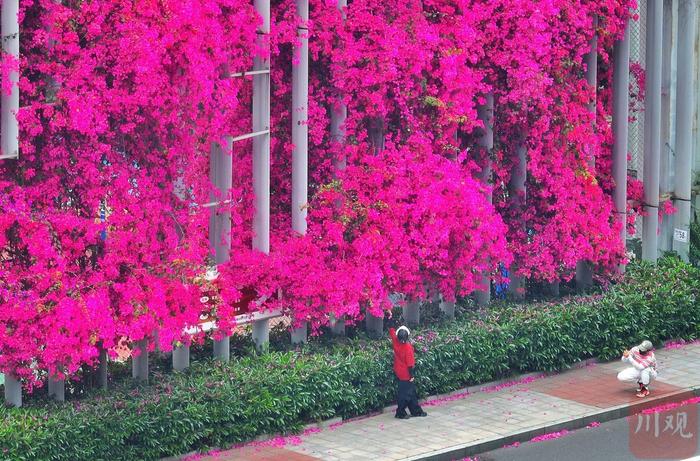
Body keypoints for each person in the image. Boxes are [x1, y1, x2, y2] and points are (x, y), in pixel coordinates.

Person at [389, 325, 428, 419]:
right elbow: (410, 364)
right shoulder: (408, 347)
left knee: (411, 393)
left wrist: (389, 314)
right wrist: (411, 376)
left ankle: (416, 411)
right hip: (406, 374)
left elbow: (392, 330)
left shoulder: (395, 341)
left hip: (398, 371)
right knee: (405, 394)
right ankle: (400, 413)